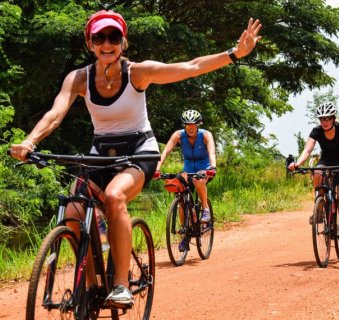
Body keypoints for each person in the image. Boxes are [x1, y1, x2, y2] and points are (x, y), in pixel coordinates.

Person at [9, 10, 261, 307]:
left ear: (123, 42)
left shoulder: (137, 73)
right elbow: (55, 114)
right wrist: (30, 141)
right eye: (99, 37)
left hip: (140, 151)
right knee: (74, 212)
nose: (106, 43)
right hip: (101, 153)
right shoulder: (78, 78)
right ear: (89, 43)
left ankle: (120, 285)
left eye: (113, 37)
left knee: (115, 197)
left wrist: (235, 53)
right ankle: (89, 286)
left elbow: (190, 67)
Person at [288, 103, 339, 256]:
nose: (324, 121)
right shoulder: (317, 131)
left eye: (327, 118)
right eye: (322, 119)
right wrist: (298, 164)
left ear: (333, 119)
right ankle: (320, 207)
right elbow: (307, 149)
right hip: (326, 162)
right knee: (317, 172)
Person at [155, 110, 216, 250]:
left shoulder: (206, 135)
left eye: (193, 124)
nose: (190, 127)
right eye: (187, 125)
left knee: (198, 180)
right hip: (187, 170)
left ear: (198, 125)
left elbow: (212, 151)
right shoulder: (178, 135)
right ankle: (186, 235)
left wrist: (213, 167)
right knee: (181, 197)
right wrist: (157, 169)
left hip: (204, 169)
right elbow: (165, 152)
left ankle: (205, 209)